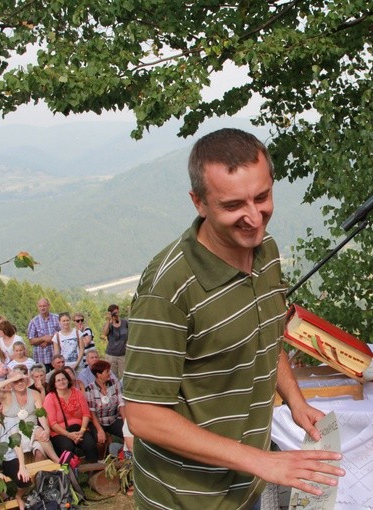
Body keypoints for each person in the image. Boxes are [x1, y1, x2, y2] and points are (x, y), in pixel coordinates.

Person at [123, 128, 343, 509]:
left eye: (262, 197)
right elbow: (142, 415)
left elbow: (266, 337)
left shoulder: (266, 251)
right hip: (185, 499)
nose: (255, 218)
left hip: (246, 487)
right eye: (233, 205)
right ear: (199, 202)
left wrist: (295, 400)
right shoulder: (169, 287)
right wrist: (261, 460)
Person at [0, 366, 60, 463]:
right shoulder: (6, 395)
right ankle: (58, 461)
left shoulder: (34, 394)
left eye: (22, 380)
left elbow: (41, 414)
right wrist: (12, 378)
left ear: (26, 381)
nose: (20, 383)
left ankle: (41, 474)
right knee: (39, 433)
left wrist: (46, 429)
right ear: (11, 384)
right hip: (14, 433)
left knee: (40, 450)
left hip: (33, 430)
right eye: (16, 382)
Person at [43, 367, 99, 463]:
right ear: (54, 383)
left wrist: (82, 431)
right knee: (67, 447)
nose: (62, 382)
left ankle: (93, 471)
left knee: (89, 444)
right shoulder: (50, 398)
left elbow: (86, 414)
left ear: (68, 380)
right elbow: (52, 423)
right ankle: (68, 472)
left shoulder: (77, 393)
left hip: (79, 428)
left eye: (64, 379)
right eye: (58, 380)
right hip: (60, 432)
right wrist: (69, 435)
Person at [84, 360, 125, 450]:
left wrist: (126, 422)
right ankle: (101, 460)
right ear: (99, 375)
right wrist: (99, 429)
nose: (109, 373)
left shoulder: (114, 383)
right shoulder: (89, 389)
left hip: (113, 419)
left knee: (128, 432)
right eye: (107, 371)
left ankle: (125, 455)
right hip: (99, 421)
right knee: (100, 440)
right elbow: (92, 412)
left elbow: (121, 404)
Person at [27, 298, 60, 372]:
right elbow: (31, 341)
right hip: (41, 358)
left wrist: (49, 340)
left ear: (48, 306)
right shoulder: (33, 322)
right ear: (37, 307)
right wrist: (43, 339)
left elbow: (63, 334)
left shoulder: (57, 318)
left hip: (56, 357)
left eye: (44, 306)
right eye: (40, 306)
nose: (42, 308)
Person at [101, 304, 128, 379]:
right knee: (112, 377)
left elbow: (130, 333)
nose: (116, 314)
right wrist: (108, 320)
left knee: (125, 376)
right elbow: (104, 333)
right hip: (111, 355)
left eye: (117, 312)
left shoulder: (125, 322)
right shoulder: (108, 324)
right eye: (114, 313)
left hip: (123, 354)